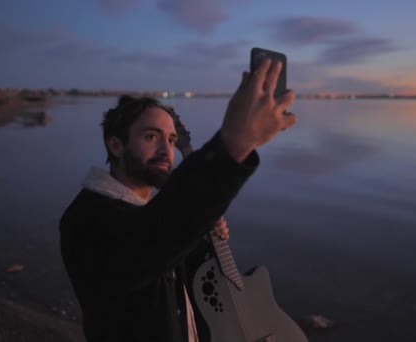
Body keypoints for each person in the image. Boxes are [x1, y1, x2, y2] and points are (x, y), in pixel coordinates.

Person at [60, 58, 296, 342]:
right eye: (151, 136)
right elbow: (147, 242)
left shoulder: (150, 214)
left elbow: (170, 261)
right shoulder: (86, 219)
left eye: (172, 140)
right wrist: (234, 143)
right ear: (115, 144)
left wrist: (201, 238)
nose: (166, 151)